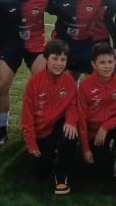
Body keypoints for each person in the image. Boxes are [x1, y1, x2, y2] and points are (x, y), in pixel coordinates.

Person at [0, 0, 49, 145]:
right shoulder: (4, 1)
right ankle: (2, 129)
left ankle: (42, 126)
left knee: (43, 86)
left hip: (36, 46)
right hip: (11, 47)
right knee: (3, 85)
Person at [20, 40, 78, 195]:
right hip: (41, 130)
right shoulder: (34, 82)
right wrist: (31, 143)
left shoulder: (69, 80)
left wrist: (71, 122)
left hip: (59, 125)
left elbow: (73, 105)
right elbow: (27, 117)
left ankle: (62, 175)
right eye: (55, 58)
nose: (59, 63)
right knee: (41, 172)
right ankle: (48, 153)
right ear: (46, 59)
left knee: (70, 136)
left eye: (63, 59)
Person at [77, 43, 116, 186]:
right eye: (102, 63)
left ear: (115, 62)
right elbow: (81, 119)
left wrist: (106, 127)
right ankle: (106, 147)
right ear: (93, 64)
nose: (107, 66)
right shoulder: (85, 85)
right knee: (97, 171)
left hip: (113, 127)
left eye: (110, 62)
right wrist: (85, 149)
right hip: (94, 132)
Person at [47, 0, 111, 78]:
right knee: (62, 80)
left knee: (93, 80)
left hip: (87, 44)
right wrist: (54, 10)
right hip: (63, 42)